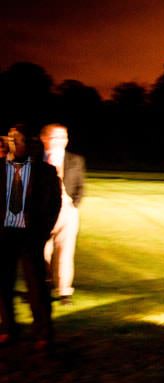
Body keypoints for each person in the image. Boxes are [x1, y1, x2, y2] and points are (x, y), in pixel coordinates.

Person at [0, 124, 62, 350]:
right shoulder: (2, 168)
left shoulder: (45, 171)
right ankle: (8, 328)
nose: (14, 143)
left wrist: (44, 231)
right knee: (3, 285)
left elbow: (55, 203)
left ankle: (43, 332)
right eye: (12, 139)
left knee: (37, 286)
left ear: (29, 142)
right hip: (5, 236)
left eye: (19, 139)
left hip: (31, 236)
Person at [40, 124, 85, 305]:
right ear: (44, 138)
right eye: (55, 136)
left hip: (67, 211)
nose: (61, 140)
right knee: (42, 252)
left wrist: (73, 204)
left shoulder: (76, 160)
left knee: (65, 252)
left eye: (64, 136)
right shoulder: (35, 159)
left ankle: (65, 291)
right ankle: (45, 284)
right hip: (41, 212)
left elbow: (81, 187)